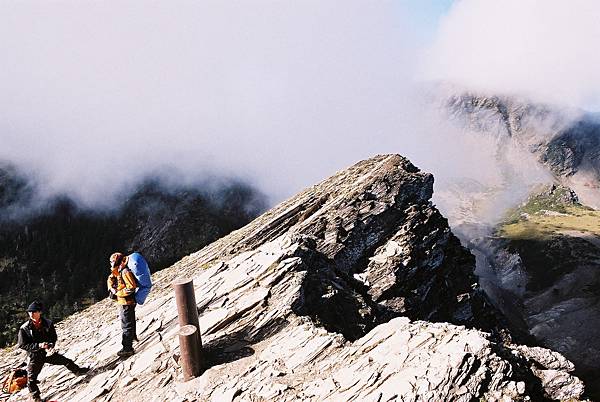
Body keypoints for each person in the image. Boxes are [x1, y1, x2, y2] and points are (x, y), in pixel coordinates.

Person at [18, 301, 88, 402]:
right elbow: (22, 344)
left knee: (66, 361)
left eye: (34, 311)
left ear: (39, 312)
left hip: (47, 352)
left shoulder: (48, 323)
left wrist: (50, 345)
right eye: (30, 312)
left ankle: (77, 371)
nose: (31, 314)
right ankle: (36, 397)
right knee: (31, 379)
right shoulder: (24, 328)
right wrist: (38, 345)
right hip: (35, 355)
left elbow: (53, 337)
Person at [107, 252, 138, 357]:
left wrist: (117, 293)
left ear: (116, 261)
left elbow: (131, 287)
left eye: (111, 261)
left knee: (126, 325)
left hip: (126, 302)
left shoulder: (124, 271)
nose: (110, 263)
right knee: (129, 322)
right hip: (125, 302)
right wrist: (111, 287)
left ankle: (127, 348)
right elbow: (110, 278)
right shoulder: (119, 269)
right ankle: (132, 338)